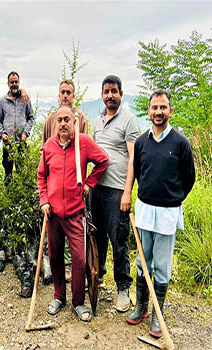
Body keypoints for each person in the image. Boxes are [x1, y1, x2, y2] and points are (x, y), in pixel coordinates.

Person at [126, 89, 195, 338]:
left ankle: (158, 312)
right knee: (142, 262)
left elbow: (189, 178)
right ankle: (141, 306)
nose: (158, 112)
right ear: (149, 111)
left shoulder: (180, 142)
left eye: (163, 107)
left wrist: (173, 198)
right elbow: (137, 172)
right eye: (154, 107)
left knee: (162, 266)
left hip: (167, 213)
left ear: (170, 111)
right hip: (144, 211)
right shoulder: (142, 142)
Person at [38, 105, 109, 322]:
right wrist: (44, 201)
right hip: (53, 214)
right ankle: (59, 297)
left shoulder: (83, 143)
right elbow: (42, 176)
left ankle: (78, 302)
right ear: (55, 123)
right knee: (55, 256)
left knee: (78, 259)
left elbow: (103, 161)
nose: (63, 124)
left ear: (74, 122)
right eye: (59, 120)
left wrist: (89, 183)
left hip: (76, 213)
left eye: (66, 119)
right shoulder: (49, 146)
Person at [91, 75, 141, 312]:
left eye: (114, 91)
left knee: (118, 240)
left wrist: (127, 192)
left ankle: (123, 287)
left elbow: (134, 158)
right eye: (106, 91)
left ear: (121, 93)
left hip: (117, 190)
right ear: (102, 95)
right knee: (96, 237)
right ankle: (98, 276)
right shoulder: (98, 120)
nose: (110, 95)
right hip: (96, 189)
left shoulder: (129, 120)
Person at [0, 71, 34, 184]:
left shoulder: (24, 99)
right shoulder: (3, 101)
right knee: (8, 172)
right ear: (8, 84)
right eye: (12, 82)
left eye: (16, 82)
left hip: (21, 142)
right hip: (8, 144)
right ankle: (8, 197)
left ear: (19, 83)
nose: (14, 84)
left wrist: (25, 133)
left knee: (22, 171)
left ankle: (21, 198)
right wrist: (2, 134)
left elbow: (31, 117)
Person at [41, 79, 88, 148]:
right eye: (63, 92)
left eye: (68, 92)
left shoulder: (81, 118)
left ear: (73, 96)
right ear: (59, 96)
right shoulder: (51, 118)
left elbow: (85, 145)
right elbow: (44, 146)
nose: (65, 95)